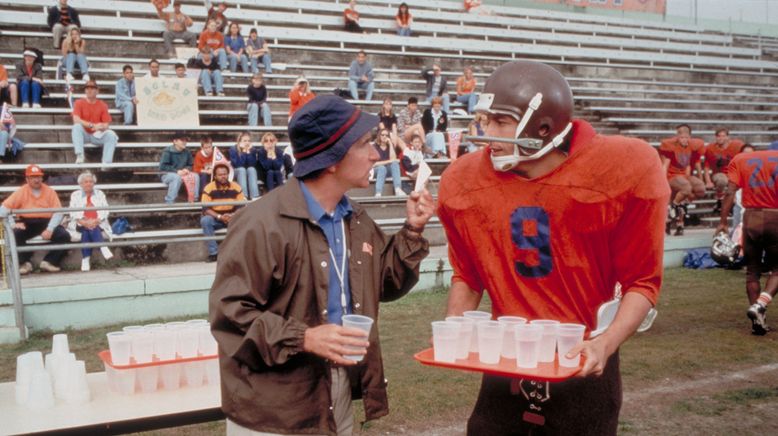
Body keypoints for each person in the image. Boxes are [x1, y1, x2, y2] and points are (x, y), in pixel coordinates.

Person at [436, 61, 668, 435]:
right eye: (485, 119)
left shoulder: (621, 167)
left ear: (542, 127)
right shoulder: (465, 179)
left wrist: (605, 344)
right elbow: (469, 274)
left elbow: (643, 283)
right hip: (507, 362)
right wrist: (453, 330)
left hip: (582, 362)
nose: (486, 133)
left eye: (500, 121)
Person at [209, 95, 434, 435]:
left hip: (335, 393)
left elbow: (384, 284)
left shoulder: (355, 219)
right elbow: (229, 315)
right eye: (364, 145)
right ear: (332, 159)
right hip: (273, 409)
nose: (376, 154)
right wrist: (305, 337)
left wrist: (413, 230)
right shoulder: (260, 224)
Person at [718, 145, 778, 336]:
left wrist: (722, 222)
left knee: (752, 271)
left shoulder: (741, 159)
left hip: (750, 218)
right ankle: (761, 304)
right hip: (775, 217)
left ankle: (758, 321)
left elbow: (730, 192)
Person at [0, 165, 71, 274]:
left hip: (46, 222)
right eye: (33, 177)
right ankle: (25, 263)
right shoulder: (21, 191)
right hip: (27, 222)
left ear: (42, 178)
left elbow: (58, 211)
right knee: (16, 234)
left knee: (64, 235)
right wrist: (13, 224)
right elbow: (3, 209)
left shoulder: (49, 191)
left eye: (38, 176)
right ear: (27, 179)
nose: (37, 179)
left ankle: (49, 261)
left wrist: (50, 229)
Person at [659, 124, 706, 236]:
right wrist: (662, 181)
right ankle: (674, 210)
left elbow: (690, 165)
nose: (684, 140)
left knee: (700, 188)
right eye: (682, 137)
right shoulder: (671, 146)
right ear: (677, 137)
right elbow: (665, 165)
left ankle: (678, 218)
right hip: (671, 176)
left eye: (686, 137)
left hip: (683, 176)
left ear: (690, 137)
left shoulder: (693, 147)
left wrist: (692, 178)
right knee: (686, 188)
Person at [67, 171, 113, 272]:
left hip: (98, 223)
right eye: (86, 181)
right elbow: (72, 211)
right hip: (80, 223)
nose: (89, 184)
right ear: (81, 184)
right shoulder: (75, 195)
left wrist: (96, 220)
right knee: (88, 228)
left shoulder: (100, 193)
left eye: (91, 181)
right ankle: (103, 247)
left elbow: (105, 209)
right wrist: (84, 222)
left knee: (87, 231)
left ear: (94, 183)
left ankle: (85, 259)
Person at [200, 162, 245, 262]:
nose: (223, 176)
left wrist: (233, 215)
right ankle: (214, 253)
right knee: (205, 221)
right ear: (215, 176)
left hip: (233, 217)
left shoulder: (236, 187)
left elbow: (242, 206)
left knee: (246, 219)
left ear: (228, 174)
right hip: (216, 218)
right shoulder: (209, 188)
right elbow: (205, 208)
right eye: (220, 175)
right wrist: (220, 217)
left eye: (225, 174)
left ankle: (239, 252)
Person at [72, 80, 118, 165]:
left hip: (96, 135)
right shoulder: (79, 102)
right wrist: (91, 125)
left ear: (97, 91)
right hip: (83, 134)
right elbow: (76, 119)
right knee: (76, 127)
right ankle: (80, 155)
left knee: (111, 135)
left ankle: (106, 164)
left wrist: (100, 127)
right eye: (87, 88)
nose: (89, 90)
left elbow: (106, 124)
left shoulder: (102, 105)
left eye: (92, 88)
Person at [703, 128, 744, 213]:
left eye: (723, 136)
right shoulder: (711, 148)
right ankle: (720, 200)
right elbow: (706, 166)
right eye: (718, 136)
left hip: (732, 174)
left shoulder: (736, 146)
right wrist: (708, 181)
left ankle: (731, 204)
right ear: (715, 137)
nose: (721, 138)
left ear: (728, 137)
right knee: (722, 180)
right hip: (719, 174)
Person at [160, 131, 199, 203]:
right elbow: (163, 166)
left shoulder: (187, 152)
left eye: (186, 140)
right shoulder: (167, 151)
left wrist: (187, 169)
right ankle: (169, 202)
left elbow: (190, 164)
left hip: (182, 174)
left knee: (195, 176)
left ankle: (194, 200)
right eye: (182, 140)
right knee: (176, 177)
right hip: (167, 174)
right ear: (175, 141)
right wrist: (176, 171)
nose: (184, 142)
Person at [373, 128, 405, 197]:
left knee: (395, 164)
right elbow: (374, 164)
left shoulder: (390, 146)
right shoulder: (374, 147)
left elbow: (393, 159)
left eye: (386, 135)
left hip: (387, 170)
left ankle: (397, 189)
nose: (384, 136)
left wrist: (390, 143)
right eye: (382, 135)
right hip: (377, 170)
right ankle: (378, 193)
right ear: (379, 136)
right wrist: (388, 161)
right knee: (382, 168)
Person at [228, 132, 259, 200]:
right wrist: (244, 152)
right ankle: (243, 196)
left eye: (248, 141)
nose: (247, 143)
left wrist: (248, 152)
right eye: (244, 141)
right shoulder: (233, 149)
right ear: (239, 141)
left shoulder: (253, 150)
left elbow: (252, 164)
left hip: (247, 171)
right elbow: (238, 164)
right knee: (242, 169)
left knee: (251, 169)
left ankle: (254, 196)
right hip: (236, 171)